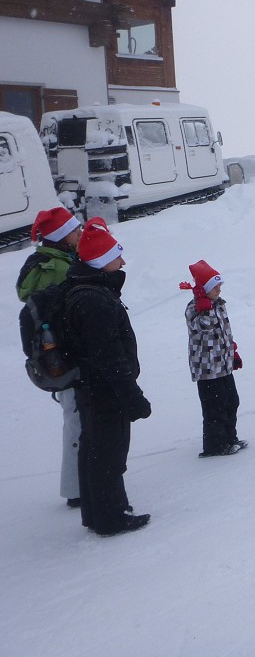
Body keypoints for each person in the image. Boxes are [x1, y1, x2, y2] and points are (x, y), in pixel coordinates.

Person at [64, 217, 152, 536]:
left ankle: (98, 512)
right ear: (102, 261)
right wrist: (133, 398)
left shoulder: (87, 289)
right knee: (108, 453)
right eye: (117, 254)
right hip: (104, 390)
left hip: (92, 388)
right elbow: (109, 356)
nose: (123, 260)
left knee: (95, 449)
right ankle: (109, 518)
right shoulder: (93, 300)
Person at [15, 207, 83, 508]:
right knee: (78, 418)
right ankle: (78, 487)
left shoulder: (55, 262)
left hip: (59, 356)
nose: (80, 234)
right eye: (75, 230)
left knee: (76, 417)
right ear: (60, 237)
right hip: (68, 355)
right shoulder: (55, 269)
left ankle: (79, 482)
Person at [180, 260, 246, 458]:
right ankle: (214, 444)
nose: (219, 289)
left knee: (231, 401)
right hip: (207, 369)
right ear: (203, 289)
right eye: (214, 286)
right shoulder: (194, 308)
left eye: (219, 286)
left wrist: (232, 351)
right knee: (214, 407)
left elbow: (225, 331)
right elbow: (201, 327)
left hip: (223, 364)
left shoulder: (219, 305)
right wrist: (204, 307)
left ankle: (229, 438)